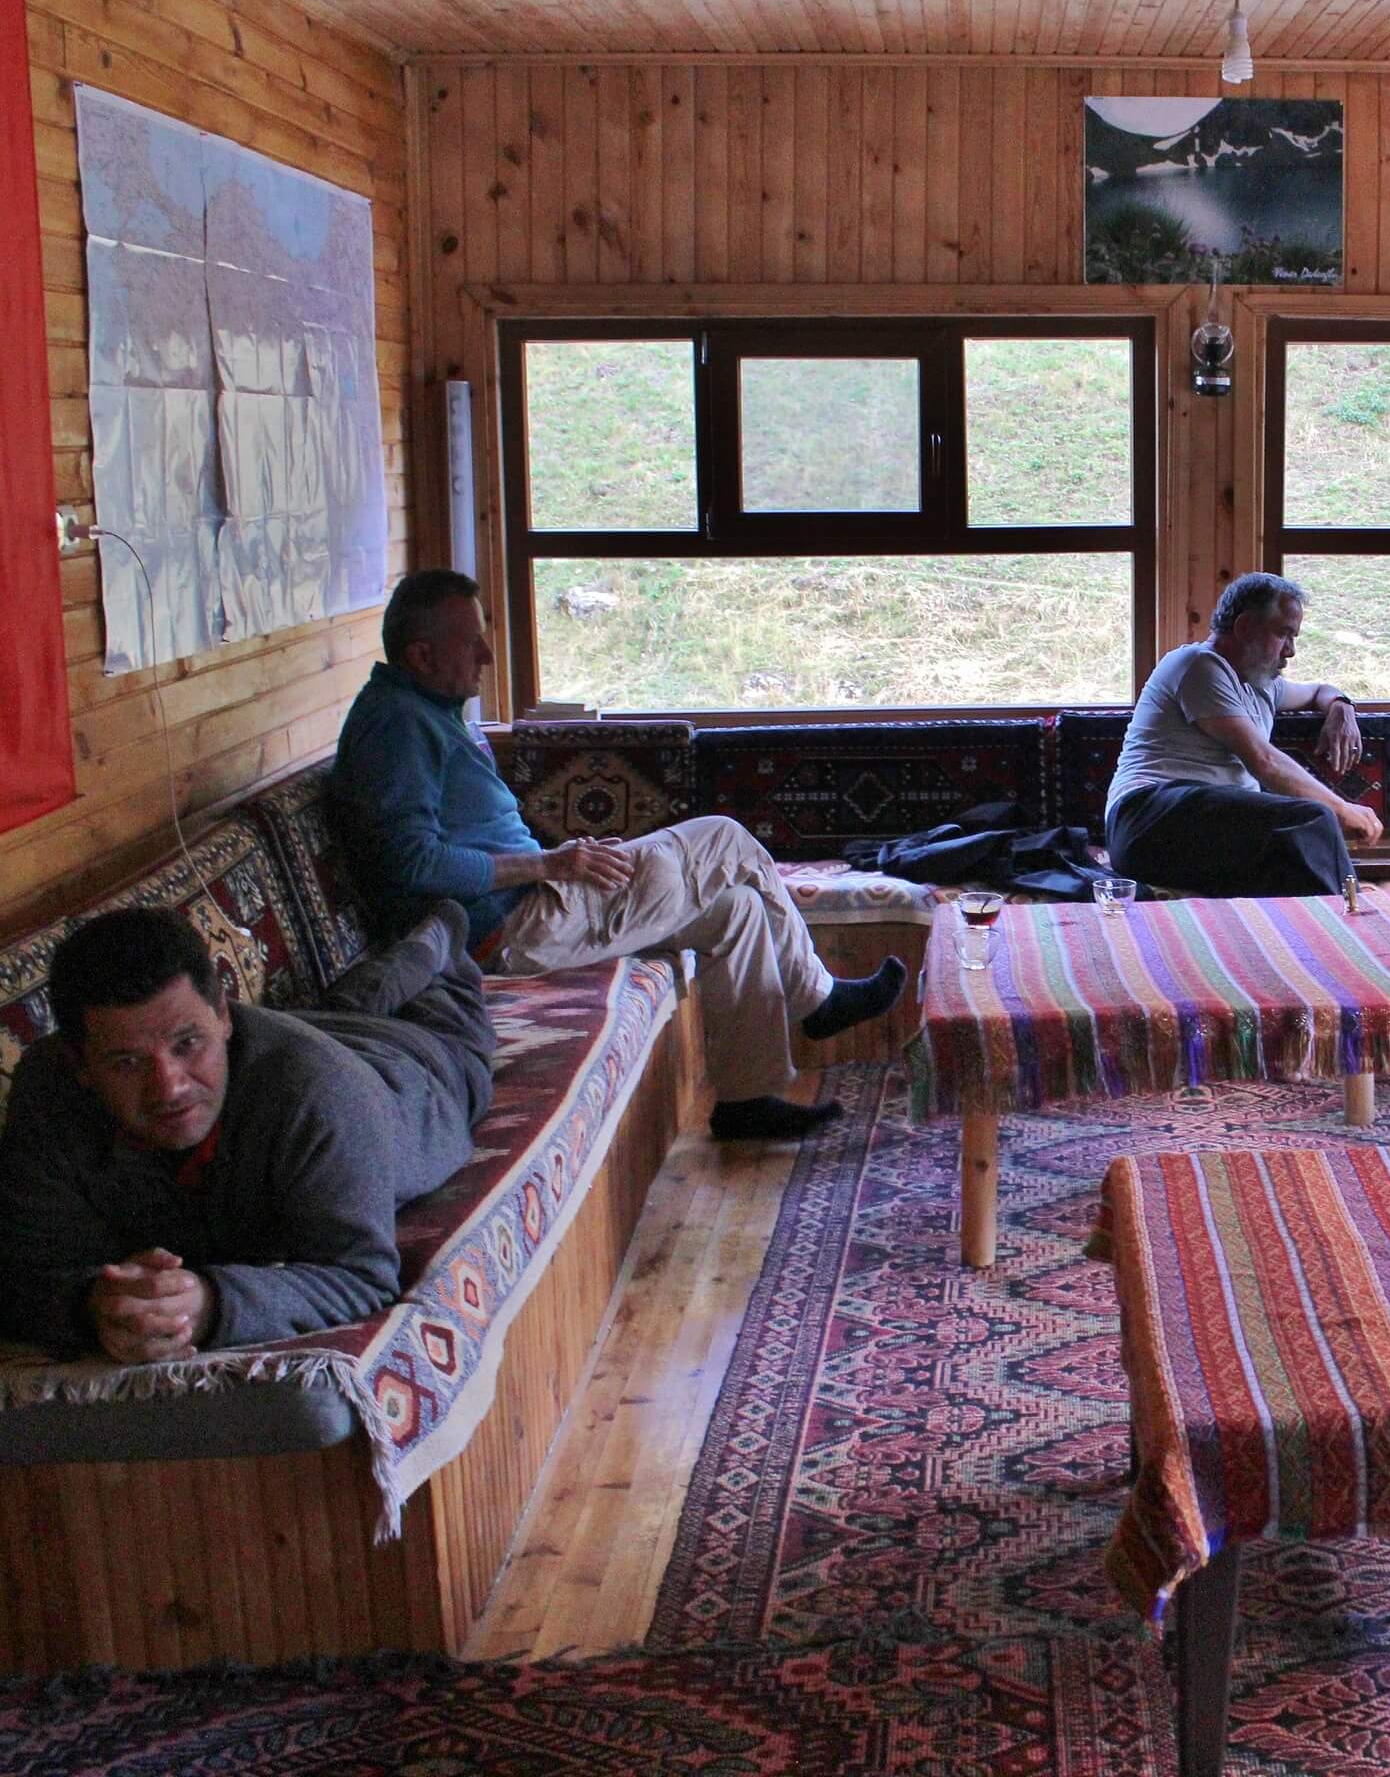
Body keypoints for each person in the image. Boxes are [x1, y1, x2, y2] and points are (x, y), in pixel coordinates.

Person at [329, 569, 902, 1144]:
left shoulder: (425, 710)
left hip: (534, 906)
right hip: (507, 928)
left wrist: (551, 864)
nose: (485, 652)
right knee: (725, 838)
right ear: (421, 654)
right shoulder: (396, 726)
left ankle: (746, 1102)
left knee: (738, 911)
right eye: (469, 640)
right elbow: (407, 863)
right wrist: (550, 864)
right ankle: (819, 999)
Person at [0, 903, 491, 1362]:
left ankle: (439, 935)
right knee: (344, 1008)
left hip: (422, 1069)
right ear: (79, 1063)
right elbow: (24, 1273)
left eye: (187, 1044)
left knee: (439, 998)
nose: (168, 1088)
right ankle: (406, 959)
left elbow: (361, 1276)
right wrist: (90, 1305)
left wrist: (212, 1303)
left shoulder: (320, 1095)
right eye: (126, 1063)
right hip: (304, 1039)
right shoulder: (50, 1089)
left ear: (223, 1016)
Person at [1104, 572, 1385, 896]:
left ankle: (1336, 925)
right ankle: (1356, 913)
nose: (1291, 651)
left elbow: (1319, 690)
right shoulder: (1198, 666)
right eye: (1283, 634)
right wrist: (1343, 809)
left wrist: (1340, 706)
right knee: (1313, 818)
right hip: (1147, 819)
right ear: (1244, 626)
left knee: (1295, 872)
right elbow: (1264, 761)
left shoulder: (1262, 684)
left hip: (1207, 835)